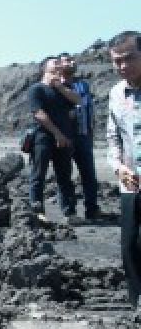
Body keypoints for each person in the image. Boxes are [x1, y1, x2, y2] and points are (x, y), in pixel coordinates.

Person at [106, 31, 141, 306]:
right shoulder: (116, 94)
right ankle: (136, 305)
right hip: (131, 182)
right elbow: (113, 137)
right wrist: (118, 167)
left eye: (127, 59)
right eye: (116, 62)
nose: (122, 67)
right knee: (129, 246)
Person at [28, 56, 78, 221]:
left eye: (59, 62)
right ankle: (37, 211)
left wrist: (60, 86)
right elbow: (39, 114)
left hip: (63, 139)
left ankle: (69, 212)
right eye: (55, 62)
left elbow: (78, 100)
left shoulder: (62, 89)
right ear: (44, 68)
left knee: (65, 176)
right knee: (38, 175)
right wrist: (57, 133)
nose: (59, 64)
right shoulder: (37, 89)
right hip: (43, 137)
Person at [59, 52, 101, 219]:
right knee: (65, 175)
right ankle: (69, 211)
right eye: (67, 60)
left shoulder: (83, 85)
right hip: (65, 137)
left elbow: (89, 109)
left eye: (72, 59)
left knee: (89, 174)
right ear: (59, 66)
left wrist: (91, 131)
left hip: (83, 135)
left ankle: (92, 209)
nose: (72, 62)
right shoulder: (55, 87)